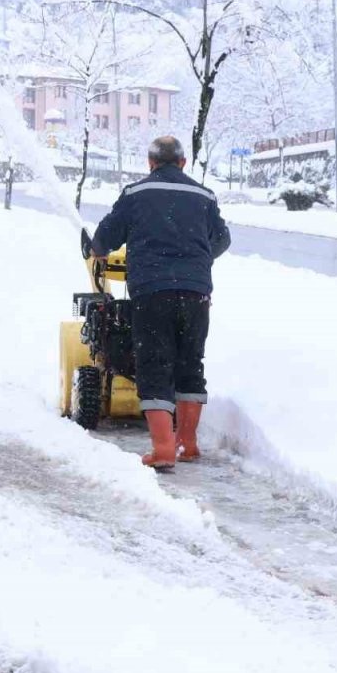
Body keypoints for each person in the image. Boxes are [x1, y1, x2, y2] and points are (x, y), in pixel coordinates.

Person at [91, 135, 231, 470]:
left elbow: (103, 239)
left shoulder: (136, 194)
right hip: (196, 293)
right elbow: (223, 239)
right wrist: (197, 261)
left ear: (151, 163)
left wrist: (98, 250)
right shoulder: (204, 195)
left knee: (154, 363)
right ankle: (188, 442)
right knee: (190, 362)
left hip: (152, 292)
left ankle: (164, 448)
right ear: (183, 163)